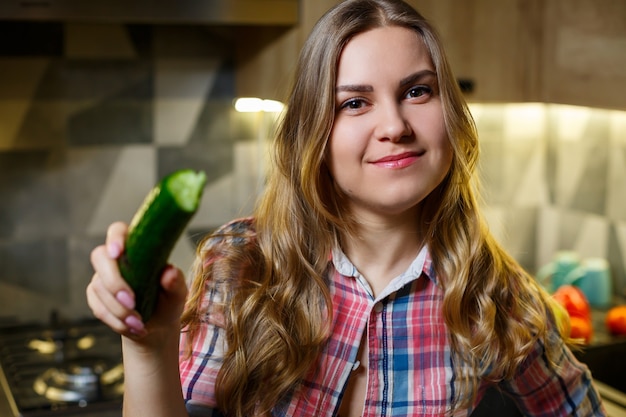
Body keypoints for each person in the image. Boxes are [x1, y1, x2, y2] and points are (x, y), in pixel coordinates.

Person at [87, 0, 606, 416]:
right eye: (354, 103)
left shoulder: (495, 294)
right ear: (313, 132)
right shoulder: (239, 263)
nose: (395, 126)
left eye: (418, 92)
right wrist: (148, 346)